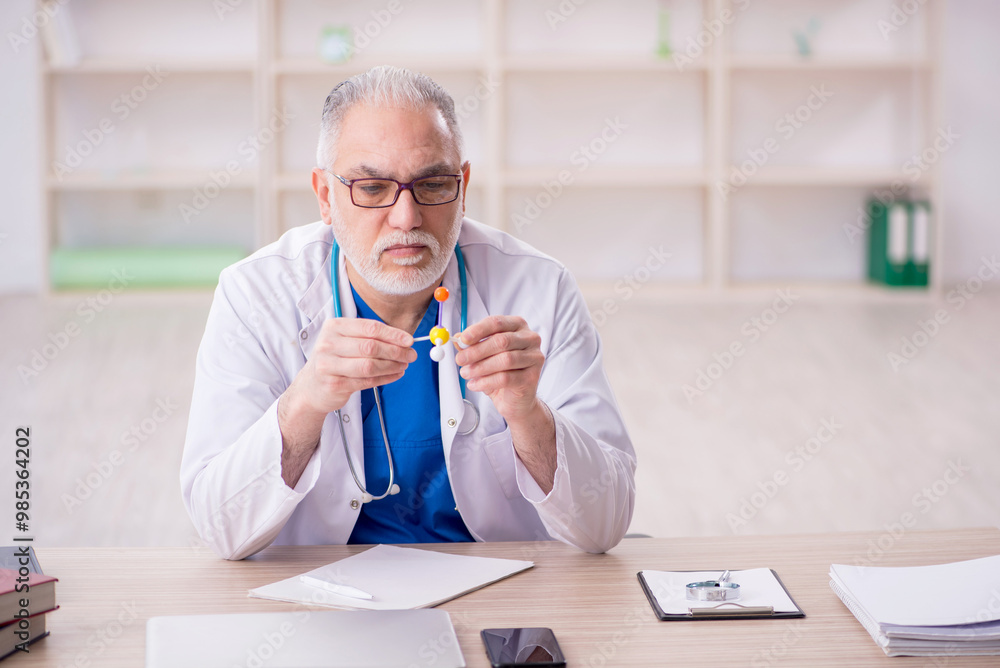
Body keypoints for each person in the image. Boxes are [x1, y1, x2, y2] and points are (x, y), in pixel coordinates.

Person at [180, 66, 636, 560]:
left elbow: (604, 523)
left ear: (462, 185)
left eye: (434, 184)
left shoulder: (538, 288)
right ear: (325, 197)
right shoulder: (254, 295)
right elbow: (220, 528)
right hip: (324, 598)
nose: (407, 217)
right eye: (372, 188)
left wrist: (528, 415)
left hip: (499, 589)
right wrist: (306, 401)